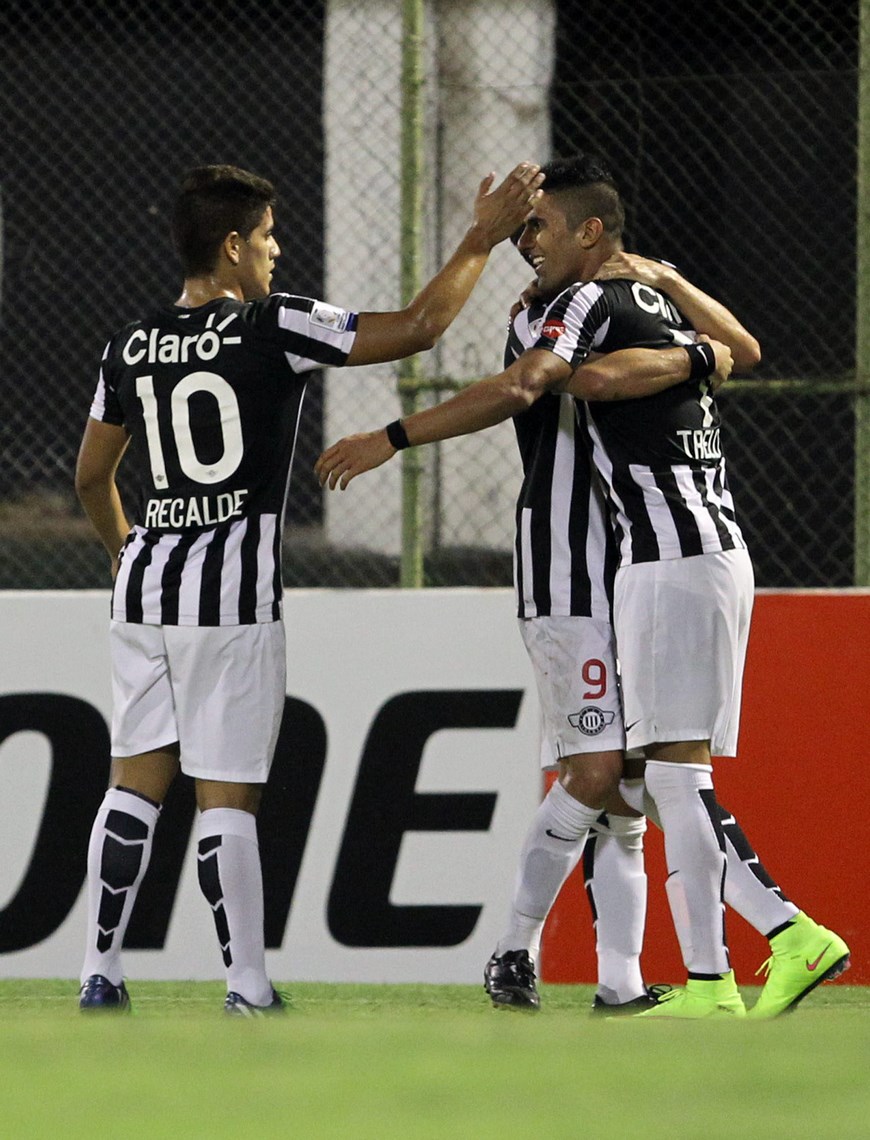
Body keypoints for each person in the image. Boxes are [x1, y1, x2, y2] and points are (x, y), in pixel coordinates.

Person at [315, 155, 850, 1019]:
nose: (530, 242)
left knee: (641, 784)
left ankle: (629, 984)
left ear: (589, 231)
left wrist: (676, 310)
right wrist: (396, 434)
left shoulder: (612, 300)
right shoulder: (548, 314)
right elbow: (551, 382)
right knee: (601, 769)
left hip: (643, 558)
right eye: (520, 229)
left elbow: (731, 350)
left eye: (540, 226)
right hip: (570, 567)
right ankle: (517, 948)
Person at [74, 160, 544, 1014]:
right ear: (231, 247)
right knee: (227, 796)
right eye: (265, 236)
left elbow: (91, 477)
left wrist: (124, 550)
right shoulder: (273, 326)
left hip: (145, 592)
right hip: (231, 599)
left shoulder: (127, 345)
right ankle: (247, 986)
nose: (275, 250)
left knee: (132, 783)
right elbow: (420, 327)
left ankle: (98, 973)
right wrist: (481, 237)